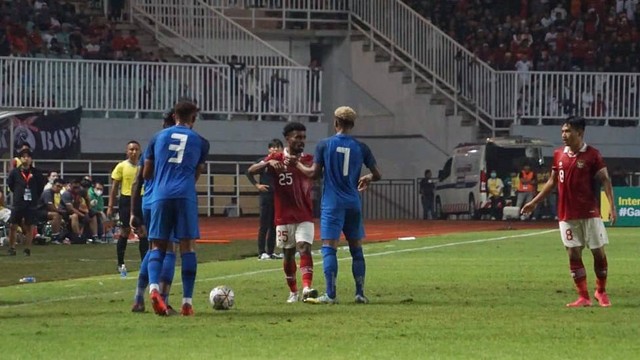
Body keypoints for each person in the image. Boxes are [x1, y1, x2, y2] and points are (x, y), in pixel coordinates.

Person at [521, 116, 615, 308]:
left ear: (579, 133)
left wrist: (611, 206)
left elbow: (605, 179)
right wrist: (534, 202)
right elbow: (552, 181)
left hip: (589, 213)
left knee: (598, 253)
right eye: (563, 131)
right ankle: (583, 296)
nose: (564, 135)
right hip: (566, 214)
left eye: (568, 131)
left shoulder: (592, 155)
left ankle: (601, 291)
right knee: (573, 253)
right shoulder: (558, 155)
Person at [296, 106, 381, 304]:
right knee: (356, 248)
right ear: (352, 124)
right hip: (353, 202)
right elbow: (377, 174)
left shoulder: (324, 145)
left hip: (332, 203)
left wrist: (296, 164)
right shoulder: (361, 147)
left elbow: (313, 173)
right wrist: (367, 177)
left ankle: (331, 295)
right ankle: (360, 293)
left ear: (335, 122)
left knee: (329, 248)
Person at [143, 100, 209, 316]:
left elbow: (146, 173)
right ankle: (187, 302)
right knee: (187, 247)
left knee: (157, 246)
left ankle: (154, 290)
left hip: (160, 195)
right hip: (185, 195)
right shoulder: (201, 141)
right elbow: (197, 173)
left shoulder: (157, 137)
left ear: (173, 116)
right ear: (193, 118)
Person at [247, 122, 318, 303]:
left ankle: (307, 287)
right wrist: (269, 162)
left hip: (304, 214)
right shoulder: (276, 157)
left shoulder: (308, 159)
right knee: (288, 253)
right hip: (284, 215)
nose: (301, 141)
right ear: (288, 138)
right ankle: (293, 291)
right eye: (297, 137)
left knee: (304, 247)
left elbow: (314, 174)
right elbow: (250, 170)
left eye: (303, 137)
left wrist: (298, 164)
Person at [130, 110, 178, 314]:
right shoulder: (177, 146)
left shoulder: (153, 142)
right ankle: (163, 300)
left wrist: (133, 212)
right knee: (169, 250)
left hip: (147, 202)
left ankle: (138, 298)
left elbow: (137, 180)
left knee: (152, 249)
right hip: (166, 201)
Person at [108, 140, 147, 275]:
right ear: (127, 151)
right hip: (126, 200)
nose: (134, 152)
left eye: (136, 149)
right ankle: (121, 263)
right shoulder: (121, 166)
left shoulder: (144, 166)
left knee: (143, 232)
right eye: (131, 149)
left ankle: (144, 263)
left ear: (140, 151)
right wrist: (110, 206)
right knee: (125, 231)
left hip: (142, 199)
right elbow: (114, 188)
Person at [245, 138, 283, 260]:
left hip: (278, 196)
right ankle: (261, 252)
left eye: (278, 146)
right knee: (264, 224)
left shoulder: (283, 161)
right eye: (273, 147)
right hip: (266, 196)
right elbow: (249, 172)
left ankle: (271, 252)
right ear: (269, 149)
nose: (275, 149)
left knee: (274, 225)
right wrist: (257, 185)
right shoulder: (263, 161)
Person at [6, 148, 47, 256]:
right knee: (13, 225)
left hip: (31, 202)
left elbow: (40, 187)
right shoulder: (15, 172)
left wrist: (35, 196)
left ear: (31, 159)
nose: (26, 159)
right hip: (18, 202)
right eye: (24, 157)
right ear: (20, 159)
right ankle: (12, 247)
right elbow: (11, 185)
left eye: (28, 157)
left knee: (30, 226)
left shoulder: (36, 173)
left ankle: (27, 249)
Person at [39, 177, 65, 244]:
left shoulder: (54, 194)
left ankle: (58, 235)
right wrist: (60, 211)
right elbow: (50, 206)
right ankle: (55, 237)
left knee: (59, 215)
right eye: (57, 186)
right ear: (53, 185)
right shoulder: (48, 192)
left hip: (45, 212)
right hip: (39, 211)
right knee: (56, 215)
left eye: (61, 187)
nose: (59, 188)